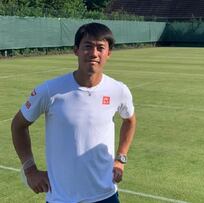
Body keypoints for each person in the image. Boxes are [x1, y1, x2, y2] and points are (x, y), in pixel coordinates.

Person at [11, 22, 136, 203]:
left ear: (108, 53)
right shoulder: (49, 90)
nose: (94, 53)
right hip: (61, 198)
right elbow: (18, 125)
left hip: (106, 196)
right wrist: (29, 170)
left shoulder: (118, 90)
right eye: (87, 47)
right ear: (76, 50)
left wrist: (120, 159)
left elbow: (130, 120)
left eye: (100, 48)